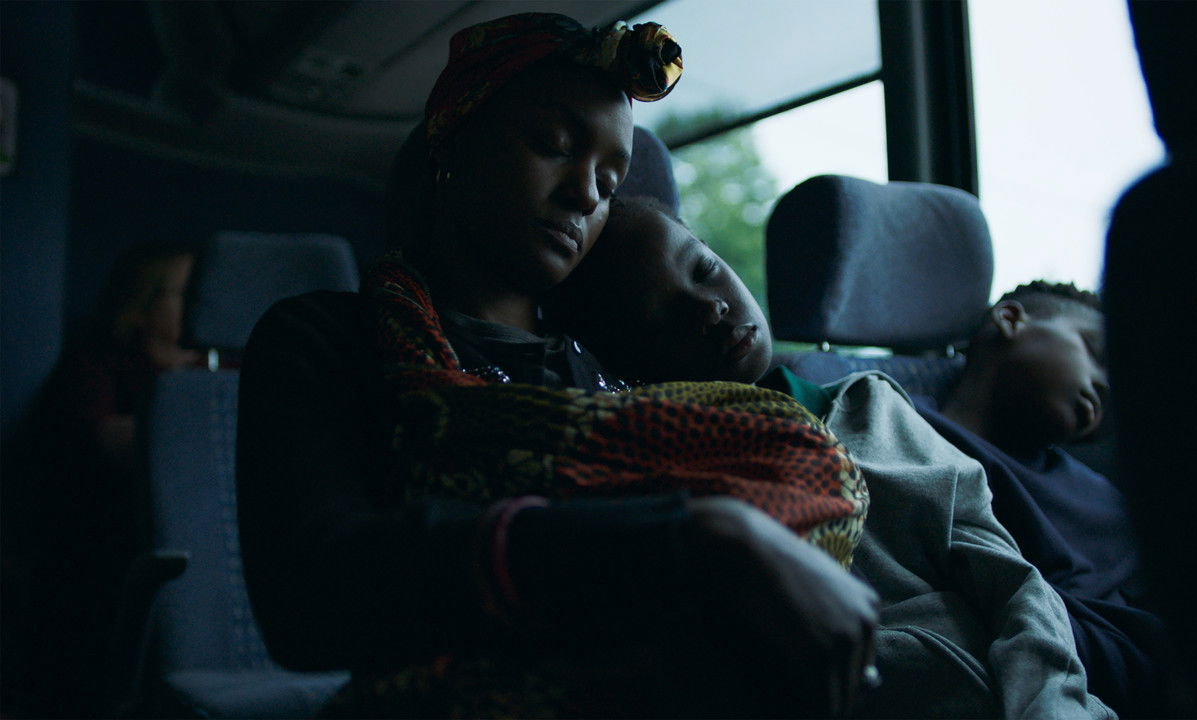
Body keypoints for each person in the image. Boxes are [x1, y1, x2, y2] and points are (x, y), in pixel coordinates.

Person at [238, 13, 877, 718]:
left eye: (610, 180)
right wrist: (685, 540)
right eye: (553, 145)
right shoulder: (329, 339)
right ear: (454, 140)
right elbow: (311, 597)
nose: (586, 194)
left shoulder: (620, 361)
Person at [546, 196, 1116, 719]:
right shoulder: (666, 486)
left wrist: (1051, 705)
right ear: (625, 367)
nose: (711, 306)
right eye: (664, 315)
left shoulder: (874, 407)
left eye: (704, 269)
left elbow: (1012, 580)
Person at [912, 281, 1171, 717]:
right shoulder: (903, 426)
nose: (1107, 386)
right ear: (1011, 320)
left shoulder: (1103, 494)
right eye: (1095, 353)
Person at [20, 242, 201, 715]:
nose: (198, 304)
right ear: (140, 306)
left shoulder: (216, 371)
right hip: (102, 564)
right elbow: (103, 438)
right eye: (184, 293)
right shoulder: (98, 368)